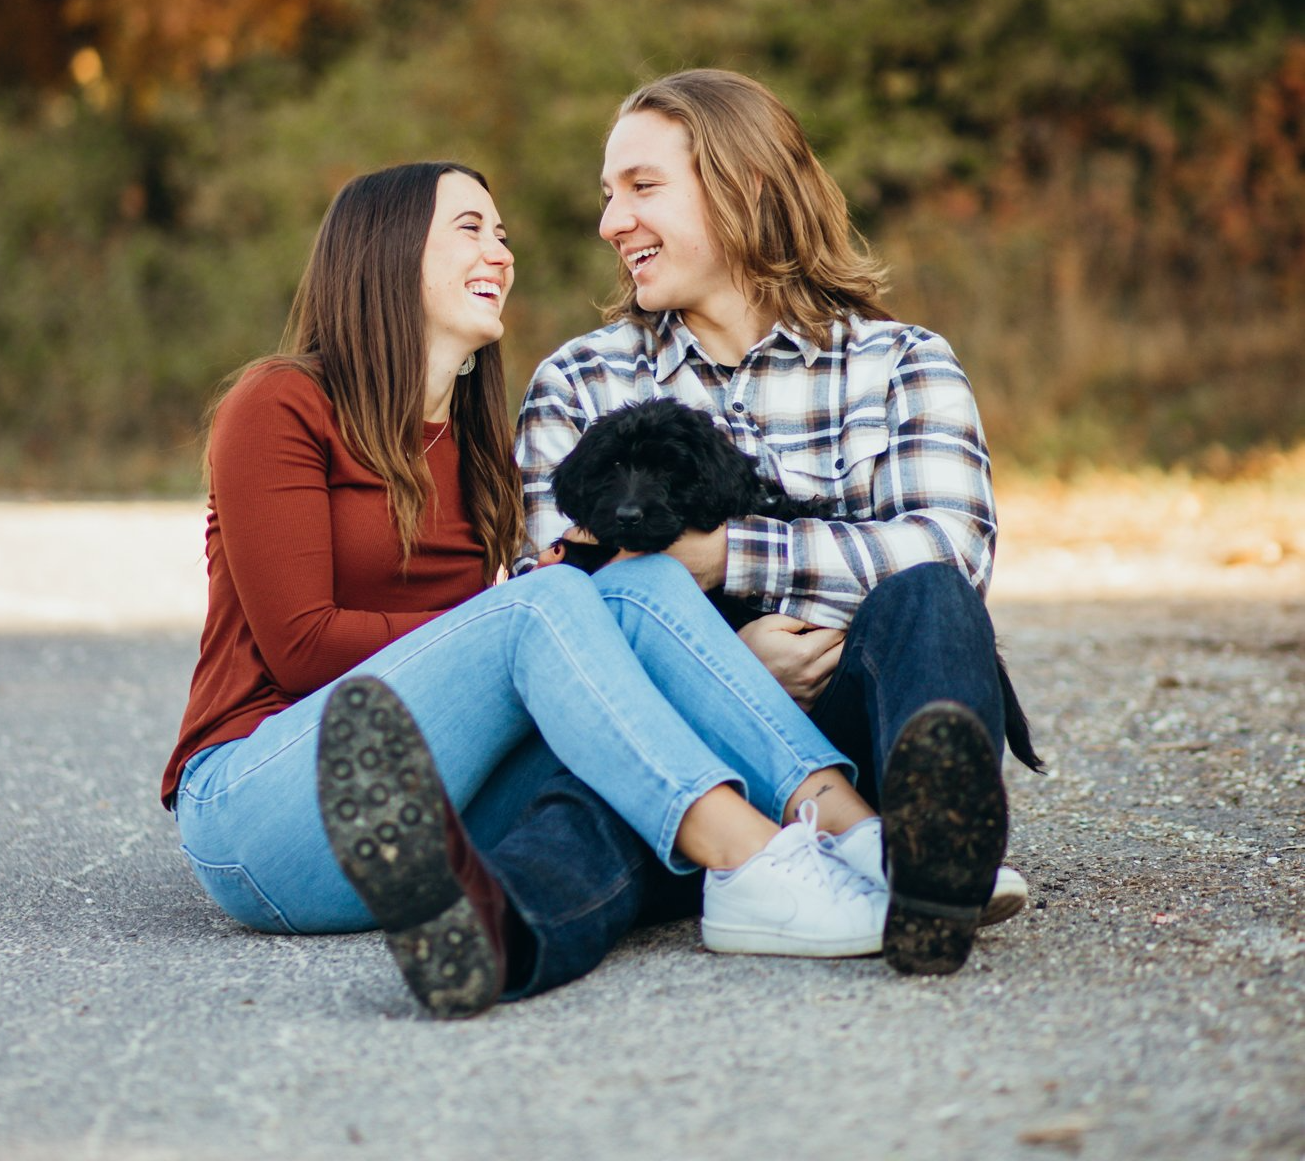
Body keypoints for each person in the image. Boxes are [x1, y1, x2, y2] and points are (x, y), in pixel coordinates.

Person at [162, 160, 897, 1021]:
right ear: (386, 252)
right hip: (262, 804)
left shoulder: (475, 445)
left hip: (427, 810)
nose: (500, 251)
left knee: (640, 580)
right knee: (548, 605)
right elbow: (301, 644)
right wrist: (526, 607)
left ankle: (863, 839)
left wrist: (571, 595)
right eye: (469, 228)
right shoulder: (281, 402)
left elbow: (493, 656)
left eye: (502, 234)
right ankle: (754, 863)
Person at [508, 68, 1035, 979]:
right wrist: (722, 669)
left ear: (745, 186)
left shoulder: (897, 361)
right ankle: (492, 927)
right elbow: (558, 606)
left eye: (641, 187)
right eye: (607, 196)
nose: (610, 223)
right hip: (683, 745)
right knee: (586, 806)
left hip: (866, 726)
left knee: (932, 601)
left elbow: (949, 543)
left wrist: (728, 557)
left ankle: (931, 857)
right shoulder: (580, 382)